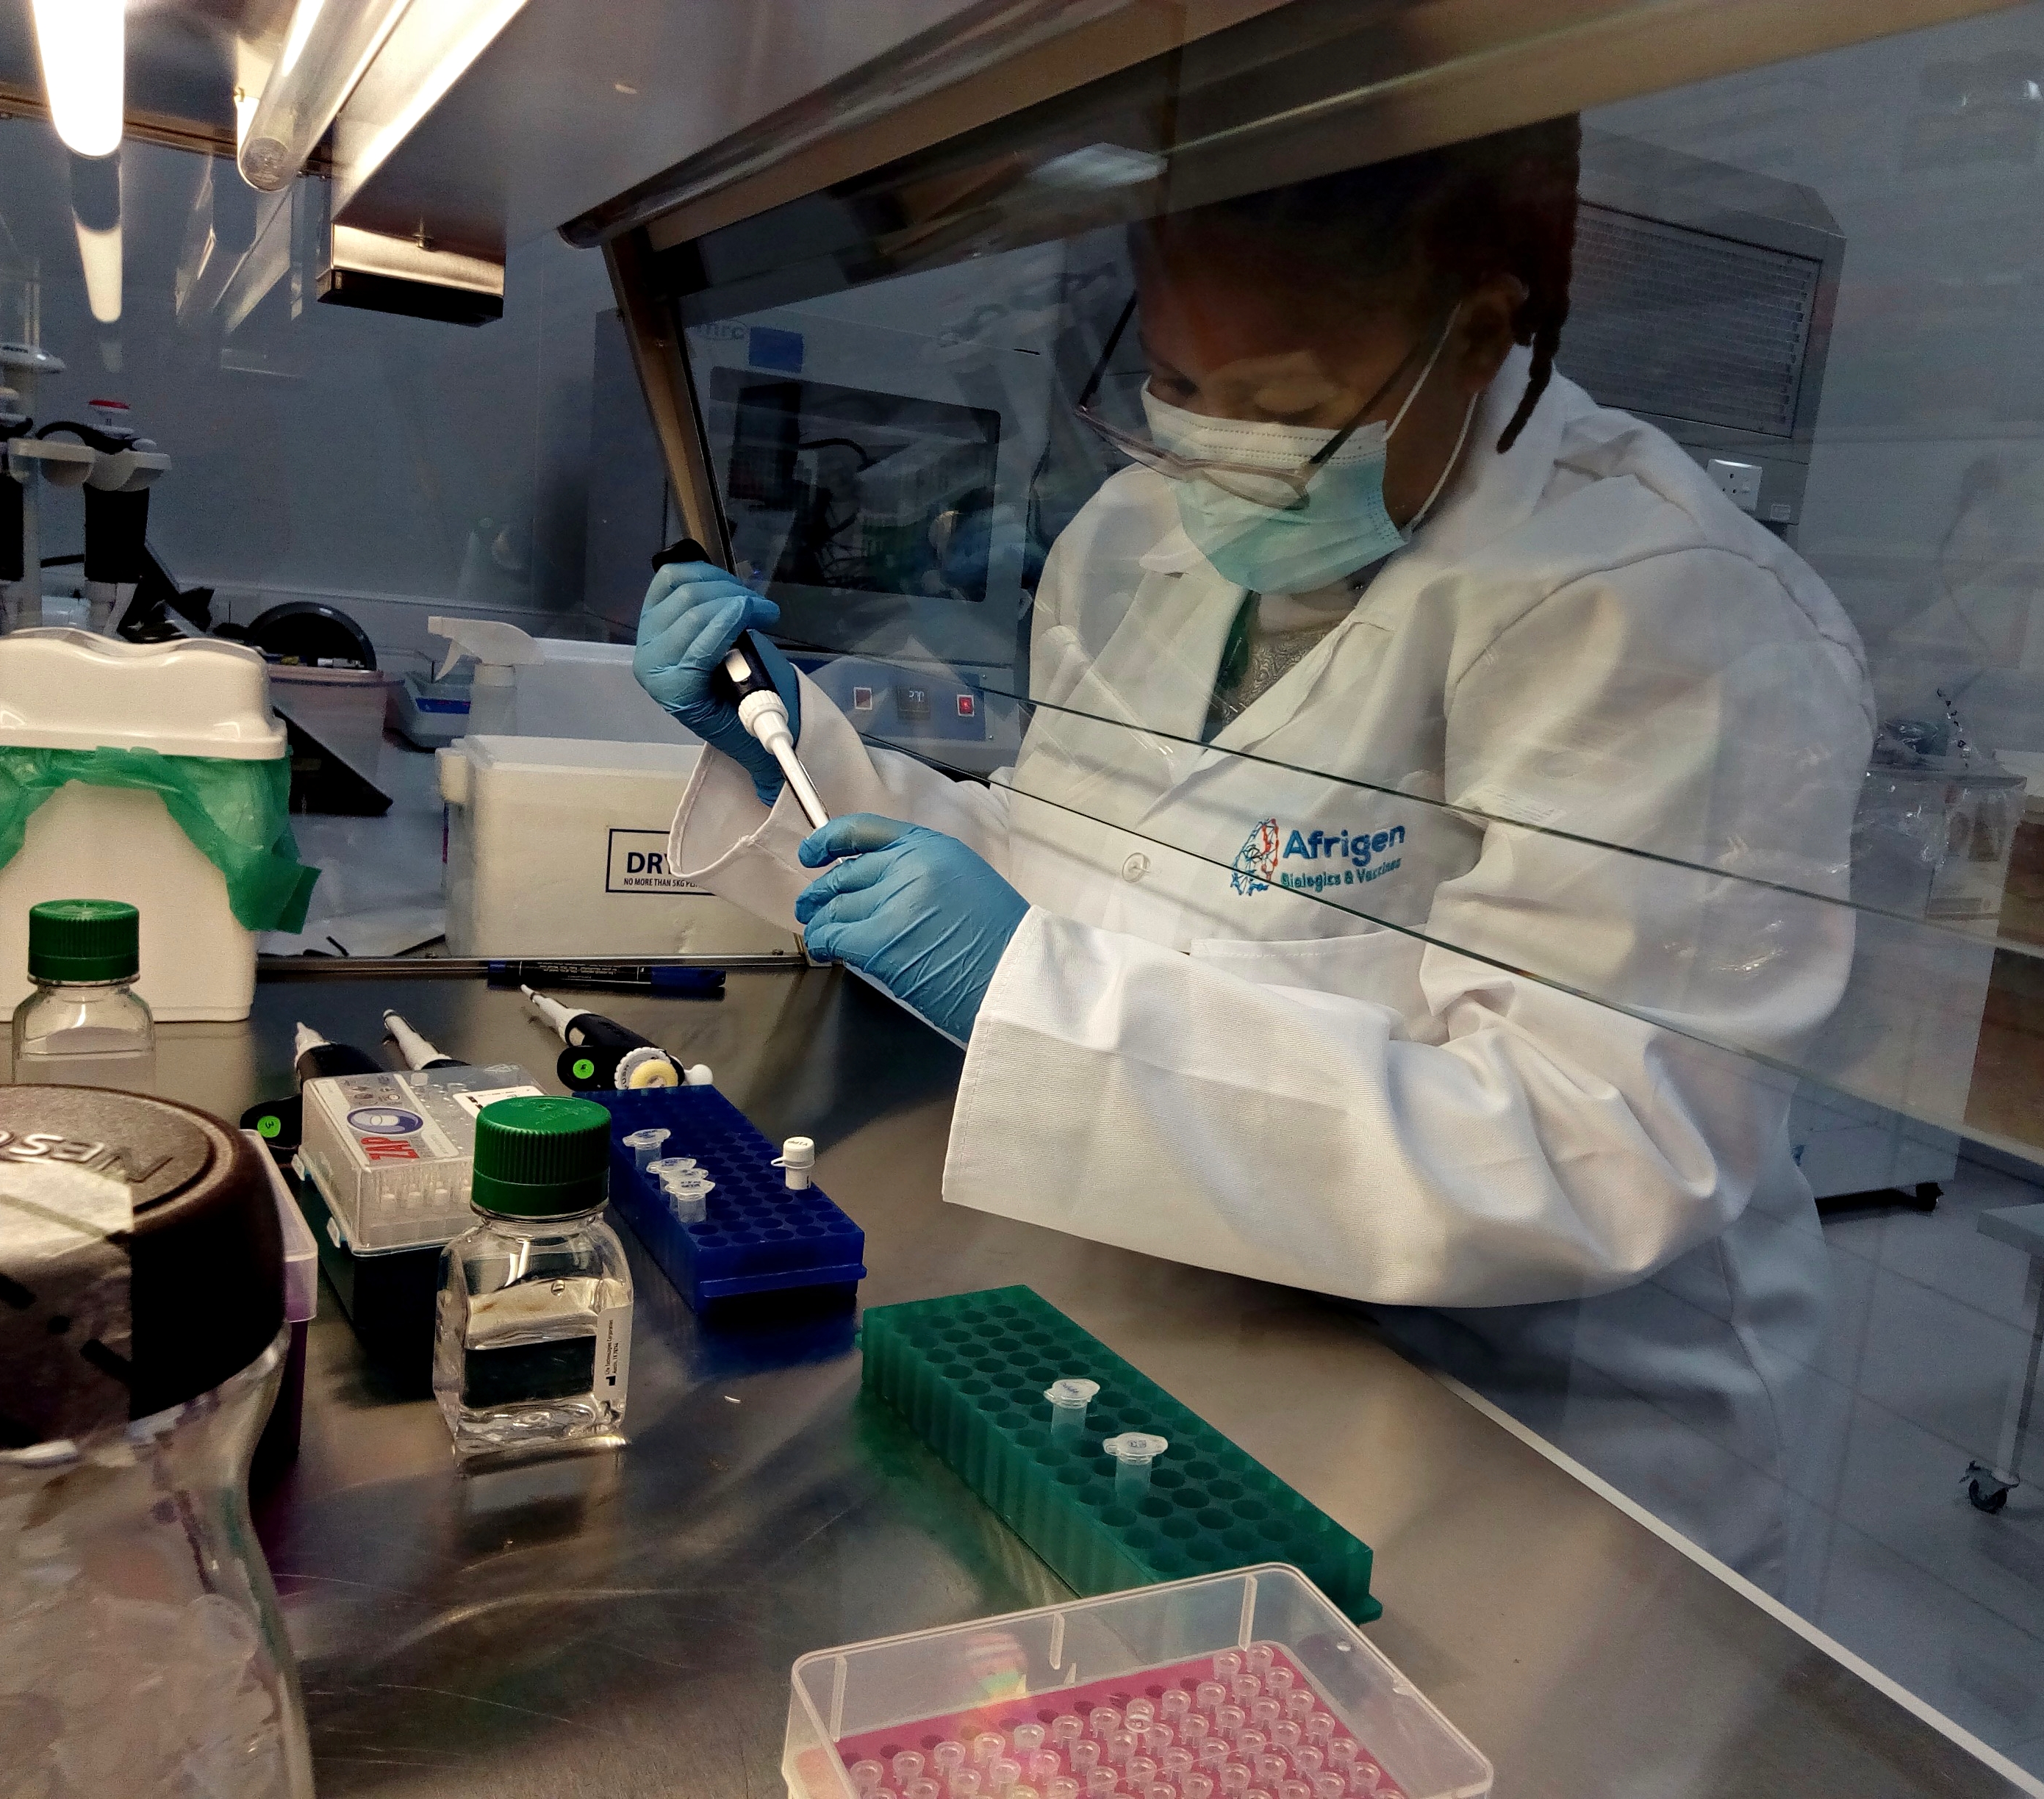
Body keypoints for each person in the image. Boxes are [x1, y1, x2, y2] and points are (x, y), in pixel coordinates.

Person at [634, 118, 1872, 1583]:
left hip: (1520, 1445)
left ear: (1479, 331)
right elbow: (1084, 867)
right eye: (1174, 385)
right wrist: (799, 756)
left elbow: (1585, 1144)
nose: (1210, 449)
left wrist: (1029, 994)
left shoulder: (1663, 608)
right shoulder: (1136, 533)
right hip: (1196, 1331)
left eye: (1281, 399)